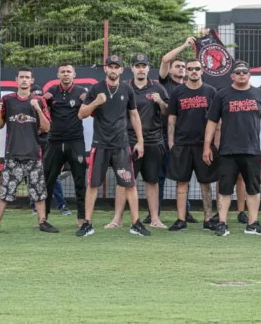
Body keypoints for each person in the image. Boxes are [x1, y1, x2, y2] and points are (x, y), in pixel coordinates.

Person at [76, 55, 150, 237]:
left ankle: (136, 223)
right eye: (110, 67)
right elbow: (81, 114)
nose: (113, 70)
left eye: (117, 67)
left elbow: (134, 116)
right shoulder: (96, 89)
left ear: (121, 70)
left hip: (121, 145)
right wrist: (95, 102)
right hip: (100, 144)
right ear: (105, 69)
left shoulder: (127, 89)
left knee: (129, 184)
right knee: (93, 184)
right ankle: (87, 223)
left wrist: (140, 141)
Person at [204, 61, 261, 237]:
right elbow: (212, 122)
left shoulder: (259, 94)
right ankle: (222, 224)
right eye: (237, 72)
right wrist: (207, 146)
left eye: (244, 72)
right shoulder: (222, 94)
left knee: (253, 188)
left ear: (249, 74)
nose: (241, 75)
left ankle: (252, 224)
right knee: (224, 189)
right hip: (227, 151)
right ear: (232, 75)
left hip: (252, 150)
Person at [0, 67, 57, 234]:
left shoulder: (39, 100)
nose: (24, 80)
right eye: (21, 77)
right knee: (4, 191)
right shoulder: (7, 100)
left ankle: (43, 222)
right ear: (16, 80)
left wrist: (38, 109)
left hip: (33, 154)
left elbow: (46, 128)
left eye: (27, 77)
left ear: (32, 80)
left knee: (38, 191)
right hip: (13, 155)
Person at [109, 54, 170, 229]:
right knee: (124, 180)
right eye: (138, 66)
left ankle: (155, 219)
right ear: (132, 69)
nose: (141, 69)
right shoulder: (124, 87)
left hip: (154, 141)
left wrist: (160, 102)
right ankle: (117, 219)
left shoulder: (157, 87)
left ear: (148, 68)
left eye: (144, 66)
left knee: (152, 181)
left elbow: (168, 112)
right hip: (128, 140)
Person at [167, 59, 219, 231]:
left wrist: (214, 143)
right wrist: (171, 141)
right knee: (182, 182)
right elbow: (172, 117)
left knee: (206, 183)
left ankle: (208, 219)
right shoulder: (177, 92)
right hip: (182, 144)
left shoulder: (211, 91)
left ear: (202, 71)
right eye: (190, 69)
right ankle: (181, 219)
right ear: (187, 72)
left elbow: (217, 120)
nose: (194, 71)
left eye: (197, 68)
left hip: (204, 145)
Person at [155, 35, 198, 223]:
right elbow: (165, 59)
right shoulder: (165, 83)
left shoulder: (191, 87)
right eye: (178, 66)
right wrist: (184, 45)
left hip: (184, 139)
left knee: (183, 178)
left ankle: (185, 213)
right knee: (160, 176)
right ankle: (155, 213)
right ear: (171, 70)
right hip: (164, 137)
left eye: (183, 66)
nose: (181, 68)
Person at [41, 63, 88, 228]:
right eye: (63, 72)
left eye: (69, 71)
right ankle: (43, 218)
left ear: (74, 74)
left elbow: (90, 112)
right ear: (58, 75)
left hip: (75, 141)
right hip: (54, 141)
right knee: (47, 180)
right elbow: (43, 113)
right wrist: (44, 101)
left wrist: (87, 101)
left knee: (80, 181)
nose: (66, 74)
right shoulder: (51, 92)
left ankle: (82, 218)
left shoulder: (82, 92)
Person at [29, 79, 69, 217]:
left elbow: (49, 125)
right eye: (35, 96)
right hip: (32, 143)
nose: (37, 98)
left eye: (40, 96)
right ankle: (34, 206)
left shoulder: (48, 106)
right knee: (33, 175)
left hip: (47, 143)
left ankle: (62, 205)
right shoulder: (26, 107)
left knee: (53, 175)